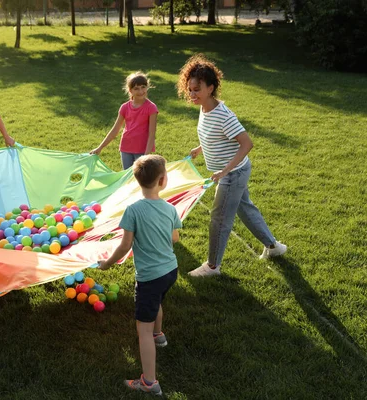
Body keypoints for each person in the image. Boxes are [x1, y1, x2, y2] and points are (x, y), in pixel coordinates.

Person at [176, 54, 287, 277]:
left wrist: (225, 171)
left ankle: (212, 266)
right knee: (245, 208)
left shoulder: (223, 114)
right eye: (190, 89)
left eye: (197, 89)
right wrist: (201, 148)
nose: (192, 93)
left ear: (211, 87)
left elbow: (247, 144)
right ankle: (274, 247)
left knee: (219, 218)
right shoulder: (205, 108)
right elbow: (215, 135)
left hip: (233, 174)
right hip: (230, 172)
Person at [98, 155, 181, 396]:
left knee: (141, 330)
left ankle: (149, 382)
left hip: (150, 277)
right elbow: (175, 238)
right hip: (170, 271)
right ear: (163, 181)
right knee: (157, 302)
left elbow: (125, 246)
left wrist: (107, 264)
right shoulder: (170, 208)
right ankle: (159, 335)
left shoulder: (133, 211)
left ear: (137, 181)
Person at [90, 71, 159, 169]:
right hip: (126, 148)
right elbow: (115, 129)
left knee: (140, 179)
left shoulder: (151, 108)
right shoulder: (124, 107)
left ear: (147, 87)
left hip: (142, 150)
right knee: (127, 177)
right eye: (136, 89)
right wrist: (100, 148)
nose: (141, 91)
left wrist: (146, 156)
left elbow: (152, 134)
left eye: (143, 87)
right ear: (130, 91)